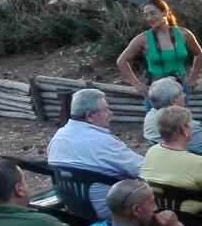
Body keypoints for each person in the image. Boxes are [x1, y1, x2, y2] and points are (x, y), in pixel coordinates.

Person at [47, 88, 144, 219]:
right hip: (110, 209)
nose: (111, 113)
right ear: (89, 116)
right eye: (105, 110)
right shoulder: (103, 142)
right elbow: (142, 168)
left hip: (74, 206)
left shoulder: (58, 138)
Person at [140, 106, 202, 214]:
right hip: (196, 219)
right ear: (184, 129)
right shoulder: (198, 162)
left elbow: (175, 170)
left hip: (159, 212)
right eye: (190, 124)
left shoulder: (152, 152)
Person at [115, 0, 202, 96]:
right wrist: (136, 84)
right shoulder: (143, 39)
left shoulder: (184, 34)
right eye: (146, 15)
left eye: (152, 13)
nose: (149, 18)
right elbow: (121, 61)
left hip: (180, 89)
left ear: (164, 12)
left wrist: (193, 78)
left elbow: (199, 54)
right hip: (156, 92)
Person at [142, 78, 202, 159]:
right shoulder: (185, 126)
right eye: (181, 93)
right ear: (173, 101)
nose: (184, 95)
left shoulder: (150, 117)